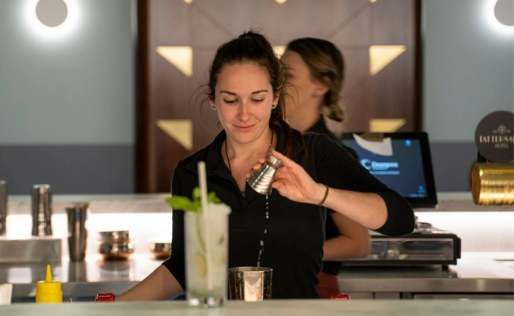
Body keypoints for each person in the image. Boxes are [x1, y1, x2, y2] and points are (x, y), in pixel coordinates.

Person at [118, 31, 414, 300]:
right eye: (230, 100)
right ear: (212, 98)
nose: (244, 114)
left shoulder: (314, 153)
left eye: (257, 98)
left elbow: (400, 219)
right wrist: (117, 307)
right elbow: (183, 267)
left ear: (275, 96)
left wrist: (319, 194)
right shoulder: (193, 172)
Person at [281, 38, 370, 298]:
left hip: (311, 285)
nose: (276, 83)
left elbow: (357, 242)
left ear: (321, 85)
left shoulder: (334, 155)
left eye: (286, 76)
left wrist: (289, 252)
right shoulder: (278, 144)